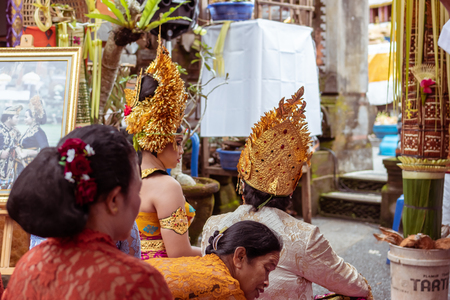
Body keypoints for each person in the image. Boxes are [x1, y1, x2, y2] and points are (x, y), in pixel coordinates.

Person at [201, 87, 373, 300]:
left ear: (244, 181)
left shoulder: (212, 225)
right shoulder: (304, 237)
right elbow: (356, 287)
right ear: (291, 190)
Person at [3, 125, 172, 299]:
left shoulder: (28, 267)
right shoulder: (137, 282)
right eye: (138, 191)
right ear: (114, 200)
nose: (139, 200)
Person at [125, 38, 200, 259]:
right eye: (177, 142)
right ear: (159, 141)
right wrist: (213, 253)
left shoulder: (123, 177)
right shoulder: (167, 186)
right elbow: (179, 253)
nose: (181, 150)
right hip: (158, 277)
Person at [149, 220, 282, 300]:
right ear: (240, 256)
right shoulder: (226, 289)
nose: (267, 282)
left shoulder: (202, 264)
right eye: (267, 268)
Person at [17, 95, 49, 168]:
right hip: (21, 163)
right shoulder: (30, 130)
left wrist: (27, 153)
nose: (24, 119)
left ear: (33, 118)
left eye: (26, 117)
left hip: (29, 165)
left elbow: (45, 151)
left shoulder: (38, 132)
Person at [0, 105, 22, 189]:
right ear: (9, 118)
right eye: (16, 117)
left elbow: (18, 145)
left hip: (10, 170)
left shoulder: (16, 132)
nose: (18, 119)